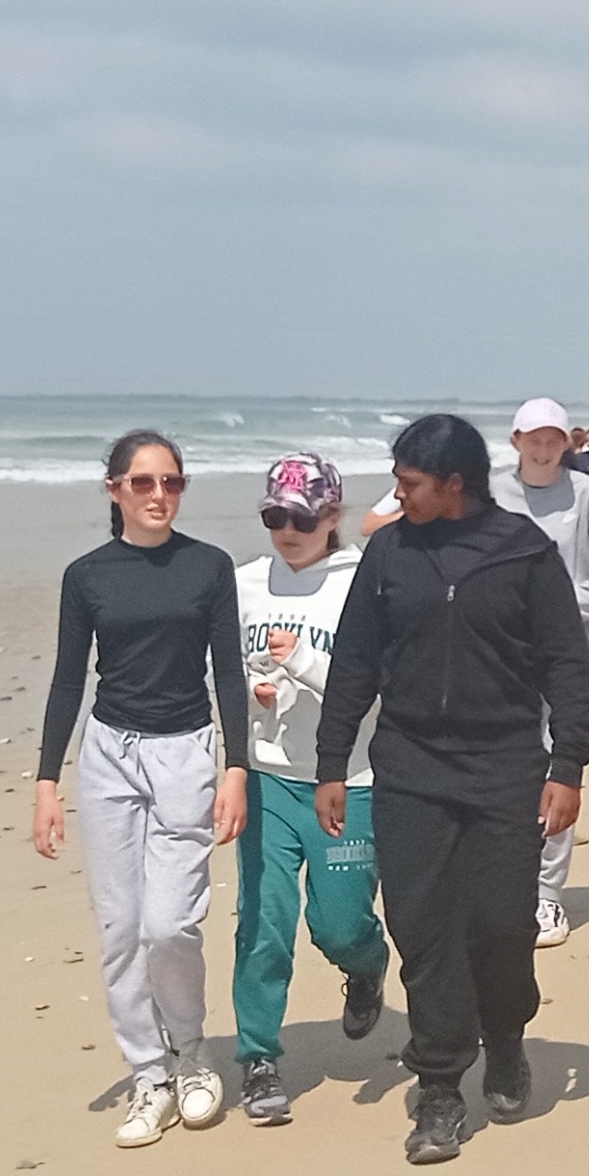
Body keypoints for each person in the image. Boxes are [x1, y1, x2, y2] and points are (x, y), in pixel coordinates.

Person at [313, 414, 589, 1166]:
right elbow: (355, 660)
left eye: (410, 483)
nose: (398, 494)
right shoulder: (388, 553)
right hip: (410, 768)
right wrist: (332, 761)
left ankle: (504, 1037)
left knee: (502, 923)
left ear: (454, 483)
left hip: (505, 767)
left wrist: (568, 765)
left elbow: (568, 666)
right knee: (422, 924)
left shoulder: (523, 553)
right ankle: (439, 1083)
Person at [30, 430, 248, 1148]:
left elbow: (228, 672)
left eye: (172, 482)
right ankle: (148, 1073)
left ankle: (191, 1051)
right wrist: (46, 782)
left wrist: (237, 767)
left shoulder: (209, 566)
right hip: (109, 756)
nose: (159, 495)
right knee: (121, 928)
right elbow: (68, 679)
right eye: (144, 482)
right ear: (115, 490)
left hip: (186, 753)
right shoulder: (86, 575)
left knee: (170, 923)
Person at [226, 454, 389, 1125]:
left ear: (333, 516)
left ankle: (367, 965)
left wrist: (303, 661)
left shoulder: (363, 582)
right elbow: (221, 673)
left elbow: (377, 684)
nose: (287, 532)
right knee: (263, 923)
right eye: (275, 517)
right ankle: (258, 1057)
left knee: (339, 925)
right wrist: (252, 687)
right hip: (267, 777)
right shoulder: (243, 583)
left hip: (348, 780)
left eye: (302, 518)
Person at [487, 399, 589, 949]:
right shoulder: (492, 493)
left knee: (558, 766)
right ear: (516, 441)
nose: (543, 450)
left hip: (570, 653)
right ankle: (507, 880)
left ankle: (547, 892)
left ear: (567, 443)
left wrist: (548, 610)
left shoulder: (588, 494)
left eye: (553, 440)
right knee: (502, 764)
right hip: (502, 654)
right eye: (534, 439)